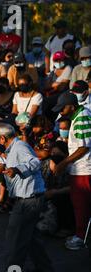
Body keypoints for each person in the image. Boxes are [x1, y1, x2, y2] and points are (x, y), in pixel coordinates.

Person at [0, 123, 54, 272]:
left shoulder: (19, 147)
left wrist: (18, 169)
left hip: (28, 200)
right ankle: (44, 268)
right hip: (30, 198)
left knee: (16, 238)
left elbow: (34, 162)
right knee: (31, 236)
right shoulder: (13, 149)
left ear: (3, 138)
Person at [52, 92, 91, 251]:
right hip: (79, 169)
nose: (61, 111)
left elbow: (83, 147)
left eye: (63, 108)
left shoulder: (82, 117)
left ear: (72, 106)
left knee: (81, 205)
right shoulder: (78, 116)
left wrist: (64, 163)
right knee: (80, 204)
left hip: (84, 169)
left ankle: (82, 237)